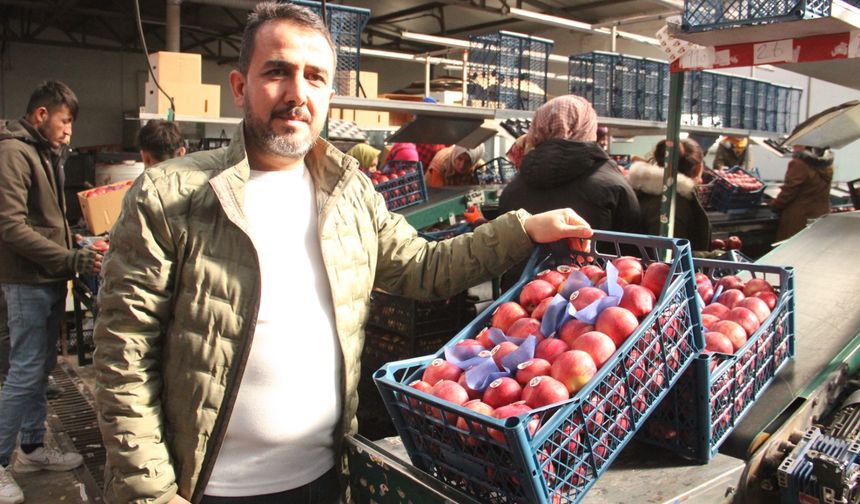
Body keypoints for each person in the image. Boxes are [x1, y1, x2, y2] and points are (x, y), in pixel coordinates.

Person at [92, 4, 593, 504]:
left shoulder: (348, 190)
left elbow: (422, 268)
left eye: (314, 77)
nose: (297, 93)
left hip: (327, 478)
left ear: (330, 94)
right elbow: (124, 355)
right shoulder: (172, 194)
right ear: (240, 86)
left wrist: (524, 228)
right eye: (277, 72)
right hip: (209, 489)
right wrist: (151, 493)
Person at [0, 80, 98, 504]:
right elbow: (10, 226)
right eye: (65, 121)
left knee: (41, 369)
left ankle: (33, 447)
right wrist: (67, 260)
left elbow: (44, 222)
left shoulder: (43, 153)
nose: (68, 131)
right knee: (23, 372)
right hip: (26, 280)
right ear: (41, 115)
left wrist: (73, 244)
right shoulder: (13, 153)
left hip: (47, 277)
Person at [498, 95, 639, 289]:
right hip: (596, 304)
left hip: (519, 300)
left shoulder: (514, 187)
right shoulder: (613, 183)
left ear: (538, 126)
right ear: (588, 127)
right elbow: (634, 254)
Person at [628, 138, 711, 251]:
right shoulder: (671, 205)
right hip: (658, 268)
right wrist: (717, 255)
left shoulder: (647, 191)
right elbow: (669, 256)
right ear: (698, 169)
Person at [770, 144, 834, 242]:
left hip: (799, 218)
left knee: (792, 249)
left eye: (796, 143)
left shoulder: (799, 164)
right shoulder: (827, 165)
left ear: (805, 145)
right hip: (820, 215)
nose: (793, 146)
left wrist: (775, 206)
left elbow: (789, 190)